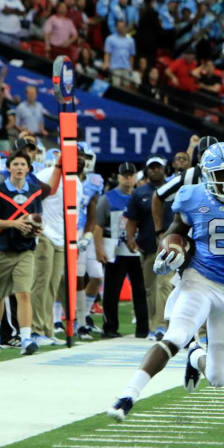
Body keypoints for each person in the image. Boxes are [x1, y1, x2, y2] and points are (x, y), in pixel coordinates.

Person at [107, 142, 224, 421]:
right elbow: (174, 232)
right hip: (200, 279)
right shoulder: (194, 196)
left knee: (218, 378)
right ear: (208, 176)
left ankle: (194, 354)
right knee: (175, 336)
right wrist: (169, 250)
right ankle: (127, 396)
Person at [0, 150, 62, 355]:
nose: (19, 168)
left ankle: (25, 339)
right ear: (8, 168)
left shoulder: (34, 191)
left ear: (29, 169)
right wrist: (14, 223)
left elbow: (37, 218)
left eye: (23, 165)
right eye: (16, 164)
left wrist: (36, 230)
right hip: (1, 249)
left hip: (26, 249)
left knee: (24, 292)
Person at [30, 146, 84, 345]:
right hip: (45, 234)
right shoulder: (45, 174)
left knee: (53, 286)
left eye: (80, 158)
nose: (78, 161)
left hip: (63, 237)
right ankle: (36, 331)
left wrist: (74, 239)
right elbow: (35, 200)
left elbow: (74, 213)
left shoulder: (77, 181)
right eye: (74, 157)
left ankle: (48, 329)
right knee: (40, 284)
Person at [94, 162, 149, 339]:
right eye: (124, 175)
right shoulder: (108, 198)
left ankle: (143, 328)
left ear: (135, 177)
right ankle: (109, 328)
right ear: (118, 177)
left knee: (141, 291)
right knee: (112, 291)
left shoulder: (142, 196)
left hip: (137, 250)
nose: (127, 178)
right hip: (115, 251)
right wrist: (99, 249)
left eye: (130, 175)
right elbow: (98, 226)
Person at [125, 157, 171, 341]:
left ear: (164, 169)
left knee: (165, 286)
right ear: (146, 170)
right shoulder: (139, 193)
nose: (155, 170)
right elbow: (132, 219)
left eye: (158, 167)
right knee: (150, 289)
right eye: (151, 167)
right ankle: (153, 326)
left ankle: (162, 325)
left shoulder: (174, 189)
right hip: (147, 247)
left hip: (169, 247)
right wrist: (130, 238)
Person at [74, 143, 105, 339]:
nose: (81, 159)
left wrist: (89, 235)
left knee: (96, 275)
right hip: (70, 229)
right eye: (78, 155)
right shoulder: (66, 178)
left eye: (84, 155)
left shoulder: (94, 180)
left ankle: (83, 316)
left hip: (86, 231)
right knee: (75, 277)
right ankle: (79, 322)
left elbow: (93, 209)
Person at [103, 19, 136, 88]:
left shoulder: (131, 40)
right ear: (116, 27)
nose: (121, 29)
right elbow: (107, 53)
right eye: (119, 27)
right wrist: (106, 63)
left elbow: (131, 55)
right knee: (116, 87)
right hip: (115, 67)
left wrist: (131, 67)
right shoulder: (110, 39)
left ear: (126, 27)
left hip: (126, 68)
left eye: (123, 27)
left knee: (126, 88)